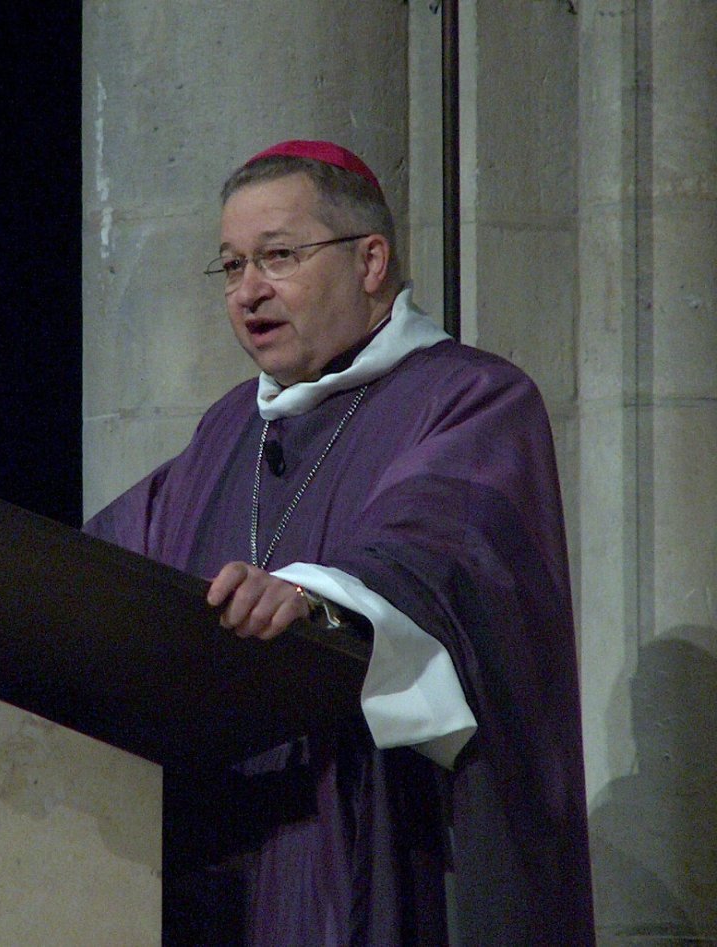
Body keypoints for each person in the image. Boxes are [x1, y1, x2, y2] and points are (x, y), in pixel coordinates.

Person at [82, 140, 594, 944]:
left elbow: (442, 543)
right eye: (230, 266)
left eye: (278, 257)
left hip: (382, 839)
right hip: (223, 858)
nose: (249, 290)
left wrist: (320, 594)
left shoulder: (471, 396)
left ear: (370, 260)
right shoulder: (228, 431)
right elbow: (91, 574)